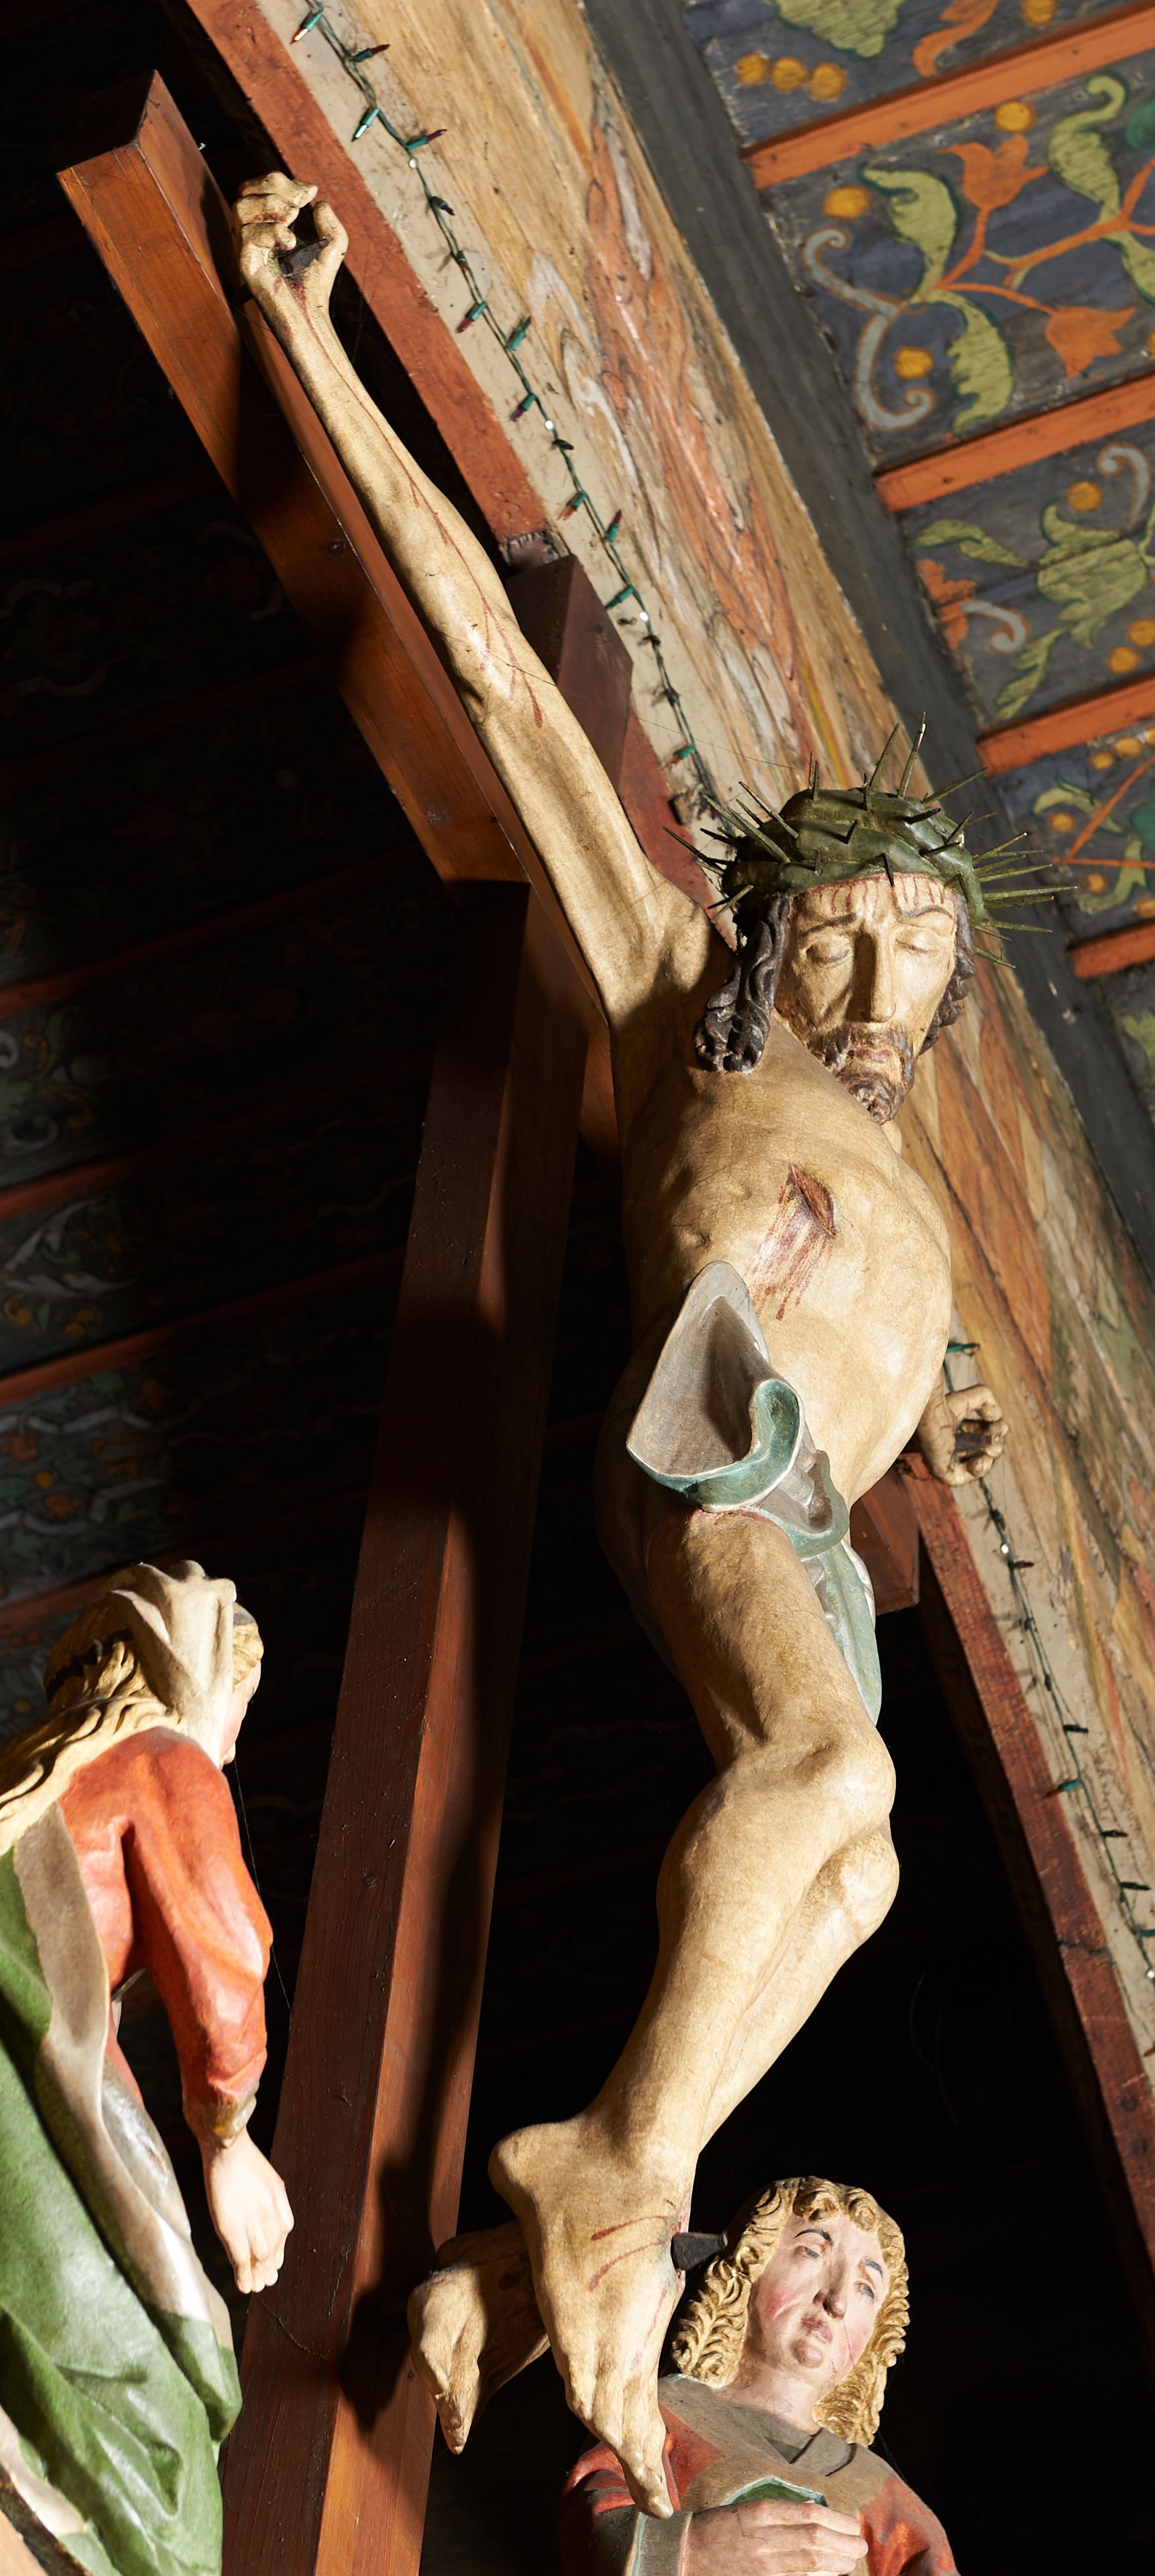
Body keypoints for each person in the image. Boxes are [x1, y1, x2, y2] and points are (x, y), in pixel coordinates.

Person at [233, 174, 1013, 2514]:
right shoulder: (693, 1007)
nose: (875, 972)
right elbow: (495, 665)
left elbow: (926, 1403)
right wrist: (312, 345)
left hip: (812, 1513)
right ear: (782, 925)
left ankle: (520, 2256)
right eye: (846, 925)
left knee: (854, 1855)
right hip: (710, 1428)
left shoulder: (918, 1197)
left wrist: (954, 1393)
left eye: (916, 948)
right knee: (820, 1766)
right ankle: (616, 2165)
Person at [0, 1560, 292, 2576]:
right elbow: (225, 1956)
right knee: (152, 2426)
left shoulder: (20, 1794)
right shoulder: (162, 1758)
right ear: (191, 1679)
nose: (234, 1743)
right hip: (24, 2113)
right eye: (238, 1705)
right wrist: (229, 2138)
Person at [561, 2176, 956, 2573]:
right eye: (811, 2252)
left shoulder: (881, 2492)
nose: (836, 2300)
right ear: (746, 2266)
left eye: (865, 2288)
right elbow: (589, 2528)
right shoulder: (657, 2417)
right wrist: (691, 2550)